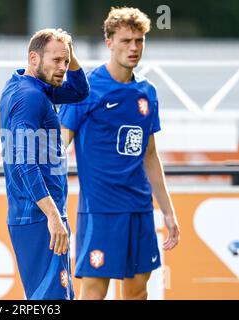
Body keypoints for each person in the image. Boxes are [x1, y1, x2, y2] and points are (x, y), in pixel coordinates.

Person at [59, 7, 180, 300]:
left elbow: (150, 156)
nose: (134, 47)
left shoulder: (147, 92)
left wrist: (167, 211)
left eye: (139, 41)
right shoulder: (84, 89)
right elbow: (59, 147)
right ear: (109, 42)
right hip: (100, 211)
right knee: (93, 293)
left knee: (138, 293)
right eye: (126, 40)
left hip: (140, 210)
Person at [0, 28, 89, 300]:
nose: (63, 67)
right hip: (39, 215)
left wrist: (67, 50)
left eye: (66, 60)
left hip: (40, 212)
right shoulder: (31, 97)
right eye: (56, 61)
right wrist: (52, 215)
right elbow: (23, 163)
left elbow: (80, 91)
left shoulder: (30, 85)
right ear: (34, 58)